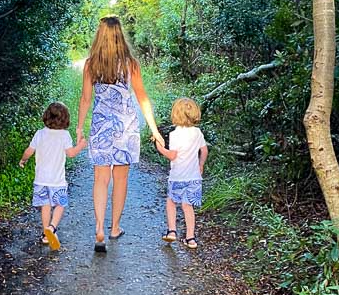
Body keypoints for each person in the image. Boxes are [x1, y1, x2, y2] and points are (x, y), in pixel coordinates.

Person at [77, 16, 164, 253]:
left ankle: (99, 228)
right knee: (121, 179)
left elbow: (86, 99)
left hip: (100, 128)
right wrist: (155, 129)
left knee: (100, 179)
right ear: (120, 36)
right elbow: (142, 97)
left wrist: (79, 128)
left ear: (100, 36)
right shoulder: (131, 64)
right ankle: (115, 227)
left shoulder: (91, 64)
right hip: (126, 129)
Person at [19, 102, 86, 250]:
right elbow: (71, 153)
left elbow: (29, 151)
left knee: (46, 206)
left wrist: (23, 160)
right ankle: (52, 227)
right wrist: (81, 145)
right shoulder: (64, 135)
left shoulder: (40, 133)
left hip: (41, 180)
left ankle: (45, 234)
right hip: (57, 181)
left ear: (46, 117)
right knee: (60, 204)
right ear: (65, 119)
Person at [155, 97, 208, 249]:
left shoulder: (175, 134)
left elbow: (172, 155)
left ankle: (172, 231)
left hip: (177, 176)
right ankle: (190, 238)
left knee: (171, 201)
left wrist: (160, 148)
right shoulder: (197, 133)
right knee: (188, 206)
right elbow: (204, 151)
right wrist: (201, 164)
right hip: (194, 178)